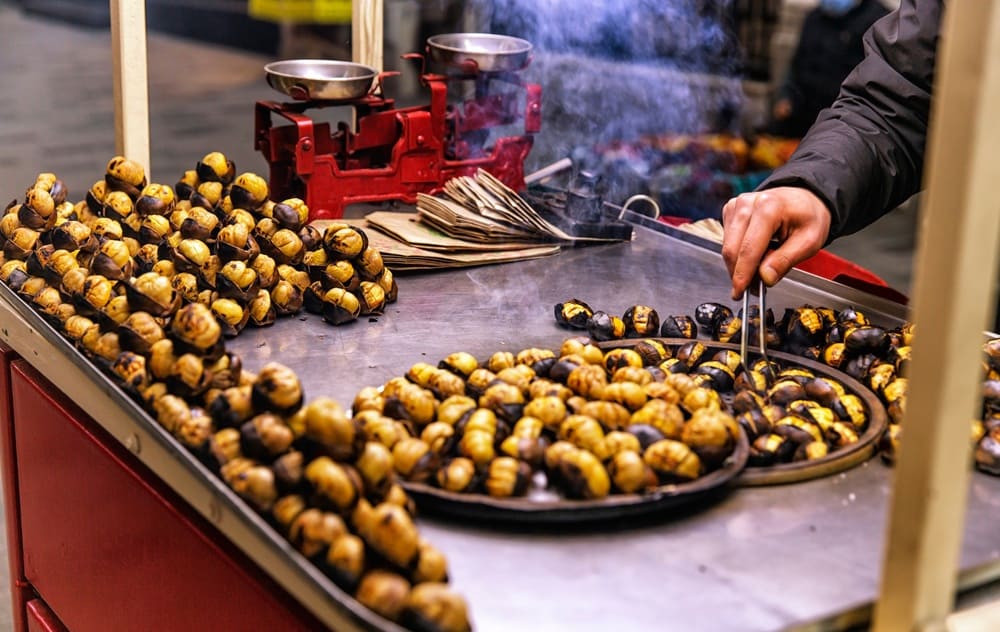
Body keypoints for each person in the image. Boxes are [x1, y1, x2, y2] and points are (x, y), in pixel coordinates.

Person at [722, 0, 940, 301]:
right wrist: (811, 184)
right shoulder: (814, 20)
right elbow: (897, 102)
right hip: (814, 128)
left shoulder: (873, 16)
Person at [768, 0, 889, 139]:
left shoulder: (879, 23)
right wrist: (786, 96)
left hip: (846, 127)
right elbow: (796, 66)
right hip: (803, 120)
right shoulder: (814, 18)